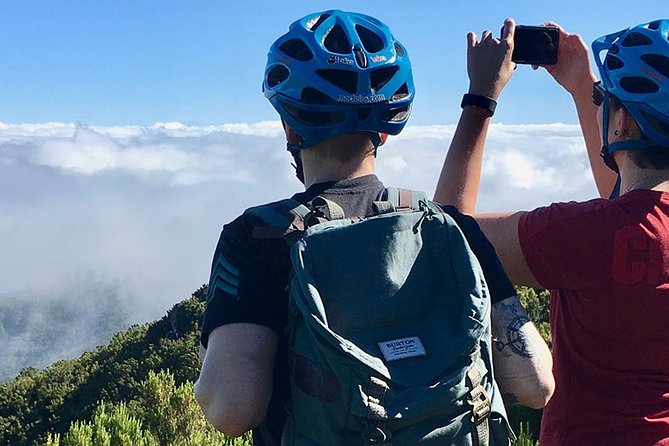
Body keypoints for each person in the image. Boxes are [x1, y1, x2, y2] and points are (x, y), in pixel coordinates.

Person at [194, 10, 553, 445]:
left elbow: (232, 410)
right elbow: (536, 384)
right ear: (386, 130)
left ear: (290, 126)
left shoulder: (258, 237)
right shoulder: (452, 228)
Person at [435, 17, 669, 446]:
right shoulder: (622, 228)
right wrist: (584, 87)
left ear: (622, 125)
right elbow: (637, 206)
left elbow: (443, 233)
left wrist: (480, 98)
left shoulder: (583, 234)